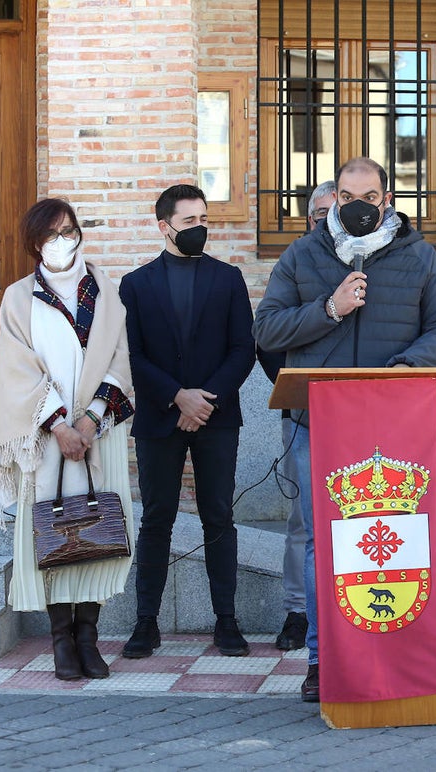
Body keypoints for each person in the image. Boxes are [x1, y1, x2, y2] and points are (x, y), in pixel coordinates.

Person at [252, 157, 436, 701]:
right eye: (346, 197)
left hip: (397, 421)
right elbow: (268, 330)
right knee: (326, 542)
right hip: (318, 420)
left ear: (386, 199)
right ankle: (324, 660)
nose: (357, 206)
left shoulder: (419, 257)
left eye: (369, 195)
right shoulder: (302, 254)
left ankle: (397, 657)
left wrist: (405, 369)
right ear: (334, 200)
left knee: (395, 543)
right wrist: (330, 307)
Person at [0, 198, 135, 681]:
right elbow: (17, 371)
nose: (61, 240)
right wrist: (61, 426)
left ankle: (89, 637)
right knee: (53, 534)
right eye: (50, 234)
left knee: (99, 531)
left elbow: (120, 360)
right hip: (46, 437)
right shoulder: (18, 298)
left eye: (68, 230)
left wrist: (89, 421)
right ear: (34, 244)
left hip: (97, 433)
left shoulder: (106, 292)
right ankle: (60, 640)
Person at [119, 184, 256, 658]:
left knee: (219, 516)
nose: (199, 229)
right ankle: (145, 623)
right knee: (157, 518)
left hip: (216, 419)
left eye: (204, 220)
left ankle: (226, 621)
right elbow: (132, 356)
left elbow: (244, 349)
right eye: (189, 222)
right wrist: (178, 397)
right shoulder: (135, 285)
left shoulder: (229, 278)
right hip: (160, 418)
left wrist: (204, 402)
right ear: (165, 227)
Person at [259, 180, 338, 652]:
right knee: (303, 521)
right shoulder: (293, 263)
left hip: (357, 412)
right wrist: (293, 383)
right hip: (304, 411)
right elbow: (268, 338)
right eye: (318, 214)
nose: (326, 222)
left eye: (336, 211)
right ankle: (297, 611)